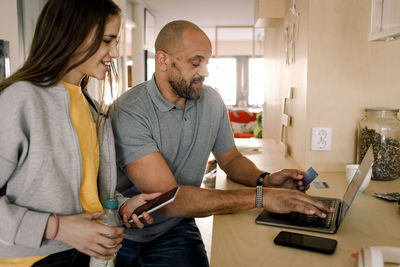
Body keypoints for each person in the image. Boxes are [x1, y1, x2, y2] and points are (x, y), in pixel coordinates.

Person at [112, 20, 333, 267]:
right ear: (163, 61)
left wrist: (266, 180)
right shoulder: (130, 110)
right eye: (196, 63)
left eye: (207, 62)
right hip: (126, 235)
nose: (205, 72)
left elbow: (231, 159)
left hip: (176, 227)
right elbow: (171, 200)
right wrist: (262, 197)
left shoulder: (211, 101)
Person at [0, 0, 160, 266]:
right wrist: (57, 228)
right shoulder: (20, 99)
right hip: (32, 259)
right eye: (108, 40)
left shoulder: (92, 107)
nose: (116, 53)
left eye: (116, 42)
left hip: (84, 253)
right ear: (72, 35)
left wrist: (120, 205)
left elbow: (84, 192)